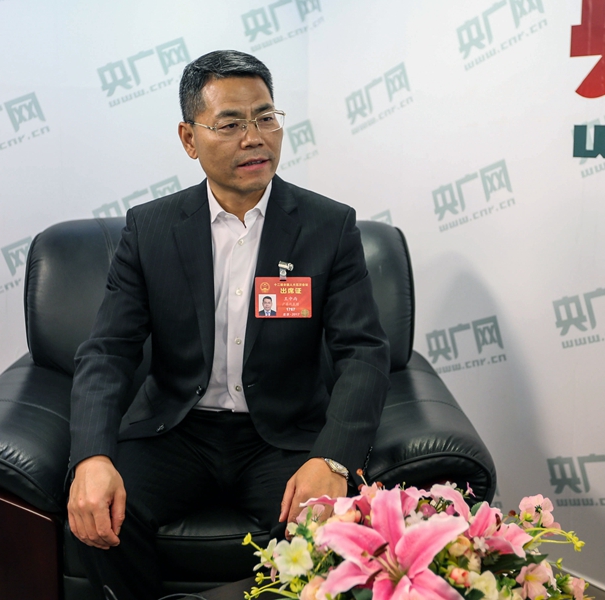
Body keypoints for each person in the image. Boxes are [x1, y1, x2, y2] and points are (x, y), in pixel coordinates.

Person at [66, 49, 390, 600]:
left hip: (282, 433)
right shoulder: (150, 229)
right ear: (189, 139)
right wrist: (91, 457)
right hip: (178, 428)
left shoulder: (328, 226)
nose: (254, 138)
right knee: (102, 511)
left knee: (326, 526)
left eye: (266, 118)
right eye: (231, 123)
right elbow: (108, 350)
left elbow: (363, 351)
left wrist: (332, 458)